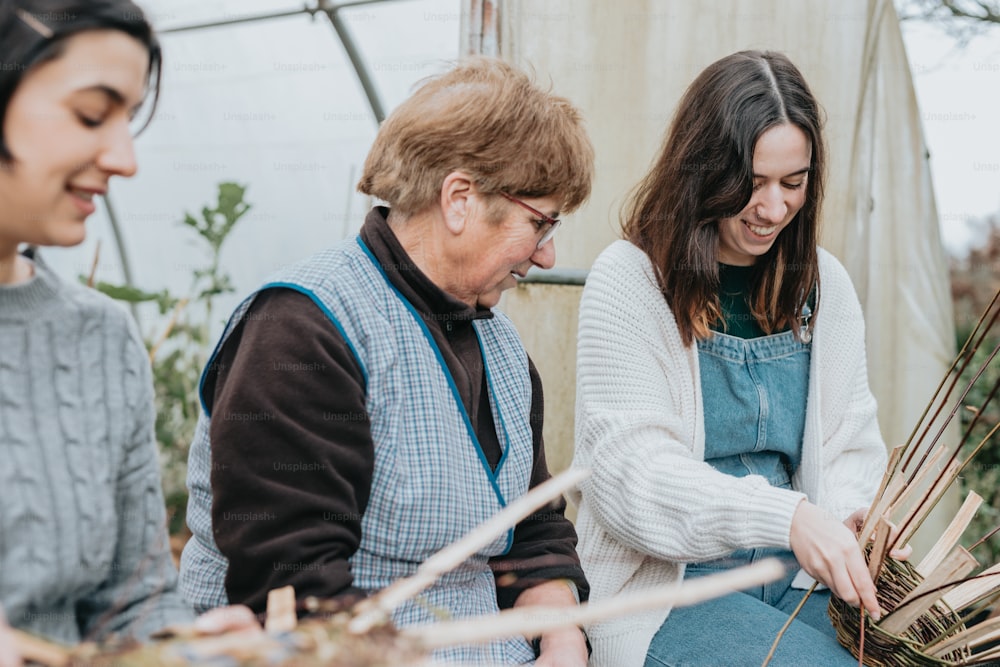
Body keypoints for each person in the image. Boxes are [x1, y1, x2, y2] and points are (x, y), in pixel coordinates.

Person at [179, 57, 595, 665]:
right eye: (540, 222)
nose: (547, 253)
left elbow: (534, 530)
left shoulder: (500, 347)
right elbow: (296, 589)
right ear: (459, 200)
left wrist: (563, 637)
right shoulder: (302, 330)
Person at [571, 50, 905, 667]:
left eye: (794, 183)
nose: (774, 209)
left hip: (797, 579)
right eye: (751, 185)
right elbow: (631, 481)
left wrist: (852, 517)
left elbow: (848, 447)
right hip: (669, 587)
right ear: (701, 171)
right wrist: (790, 517)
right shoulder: (631, 281)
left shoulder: (823, 286)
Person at [0, 3, 255, 665]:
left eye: (128, 119)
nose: (124, 158)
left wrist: (177, 646)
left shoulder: (99, 342)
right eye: (91, 114)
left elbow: (130, 599)